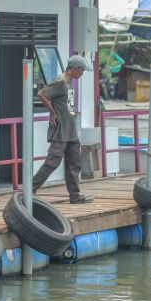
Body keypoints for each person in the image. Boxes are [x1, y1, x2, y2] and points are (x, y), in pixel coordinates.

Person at [32, 55, 95, 204]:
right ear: (74, 68)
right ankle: (30, 189)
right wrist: (52, 113)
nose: (82, 73)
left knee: (74, 163)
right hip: (61, 130)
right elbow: (41, 94)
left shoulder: (69, 83)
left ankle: (75, 196)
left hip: (71, 131)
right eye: (81, 70)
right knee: (52, 162)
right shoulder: (60, 82)